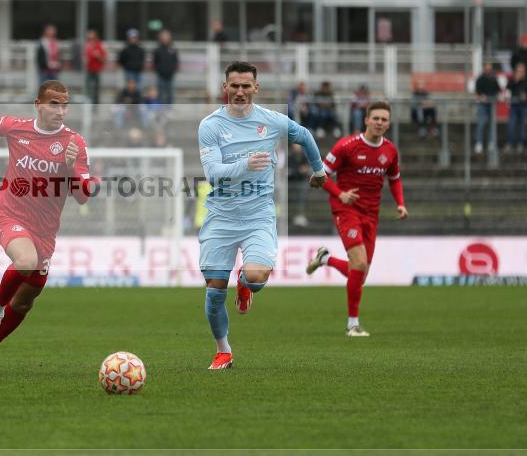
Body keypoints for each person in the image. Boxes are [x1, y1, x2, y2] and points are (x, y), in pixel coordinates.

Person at [198, 61, 326, 370]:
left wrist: (319, 169)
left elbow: (305, 135)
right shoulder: (210, 125)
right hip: (221, 216)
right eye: (234, 85)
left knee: (255, 278)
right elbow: (213, 174)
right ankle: (223, 350)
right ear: (224, 88)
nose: (239, 91)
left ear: (256, 88)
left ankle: (244, 285)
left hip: (258, 214)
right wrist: (246, 164)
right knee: (215, 290)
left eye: (246, 86)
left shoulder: (272, 121)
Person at [0, 80, 96, 376]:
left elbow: (83, 197)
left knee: (24, 303)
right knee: (25, 261)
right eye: (54, 104)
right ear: (38, 104)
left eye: (64, 105)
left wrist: (72, 168)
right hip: (10, 214)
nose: (60, 110)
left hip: (45, 232)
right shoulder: (17, 127)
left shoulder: (75, 143)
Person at [306, 101, 408, 337]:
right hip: (346, 209)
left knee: (360, 275)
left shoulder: (390, 151)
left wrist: (401, 204)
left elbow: (394, 179)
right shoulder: (347, 146)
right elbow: (320, 175)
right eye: (376, 118)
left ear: (389, 123)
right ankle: (353, 325)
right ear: (366, 120)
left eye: (384, 119)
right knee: (359, 265)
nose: (380, 123)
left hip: (372, 213)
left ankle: (326, 259)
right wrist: (340, 194)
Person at [506, 62, 527, 153]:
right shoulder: (513, 79)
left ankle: (520, 143)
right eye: (518, 71)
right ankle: (510, 143)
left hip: (523, 106)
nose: (520, 73)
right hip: (514, 105)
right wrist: (515, 80)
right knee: (511, 124)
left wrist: (526, 95)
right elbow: (508, 87)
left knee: (522, 126)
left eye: (522, 71)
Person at [474, 62, 501, 154]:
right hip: (482, 104)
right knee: (481, 123)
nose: (488, 71)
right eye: (487, 69)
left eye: (490, 69)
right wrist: (482, 97)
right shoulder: (480, 79)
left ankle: (491, 142)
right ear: (484, 69)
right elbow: (478, 92)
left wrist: (495, 96)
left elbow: (498, 90)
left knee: (492, 124)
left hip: (491, 104)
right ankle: (479, 143)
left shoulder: (494, 79)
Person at [153, 29, 179, 105]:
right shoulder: (157, 50)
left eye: (166, 37)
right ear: (160, 38)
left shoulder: (173, 49)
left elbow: (175, 61)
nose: (165, 39)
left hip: (170, 75)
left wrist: (173, 70)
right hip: (160, 75)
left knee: (170, 94)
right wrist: (159, 70)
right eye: (163, 37)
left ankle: (169, 110)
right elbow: (155, 62)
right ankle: (161, 110)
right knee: (160, 94)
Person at [84, 29, 107, 106]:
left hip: (97, 69)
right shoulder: (86, 45)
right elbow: (84, 56)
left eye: (91, 34)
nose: (90, 36)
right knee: (88, 88)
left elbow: (104, 58)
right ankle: (88, 104)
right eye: (89, 34)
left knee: (96, 88)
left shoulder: (99, 44)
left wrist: (98, 56)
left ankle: (95, 105)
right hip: (88, 69)